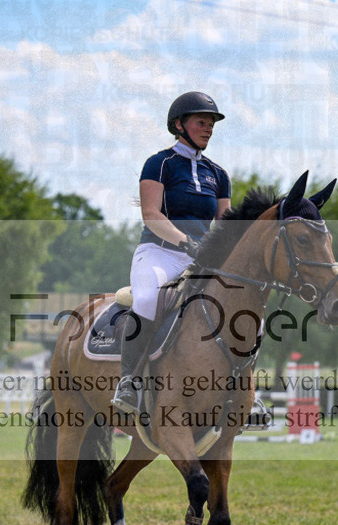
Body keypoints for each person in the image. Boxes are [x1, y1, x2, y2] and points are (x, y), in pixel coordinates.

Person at [112, 91, 231, 414]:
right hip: (159, 252)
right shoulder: (159, 163)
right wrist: (185, 241)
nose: (208, 129)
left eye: (211, 124)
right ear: (179, 125)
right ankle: (129, 382)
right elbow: (151, 214)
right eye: (201, 122)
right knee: (148, 299)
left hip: (200, 260)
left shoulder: (218, 175)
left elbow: (222, 224)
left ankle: (243, 389)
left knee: (239, 304)